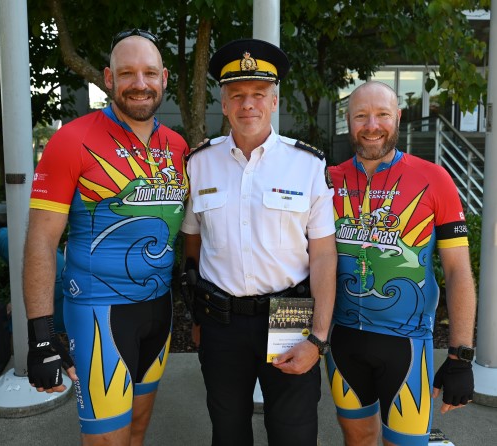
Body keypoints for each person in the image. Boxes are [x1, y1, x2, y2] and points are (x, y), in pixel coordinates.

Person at [23, 28, 189, 446]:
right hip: (98, 312)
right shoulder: (71, 139)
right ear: (108, 78)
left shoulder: (178, 147)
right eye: (127, 72)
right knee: (106, 440)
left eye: (149, 73)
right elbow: (41, 242)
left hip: (159, 311)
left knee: (136, 430)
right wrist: (42, 337)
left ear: (164, 78)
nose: (140, 83)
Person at [181, 38, 337, 446]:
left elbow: (322, 256)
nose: (247, 104)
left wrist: (317, 339)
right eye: (237, 95)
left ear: (274, 102)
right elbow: (192, 244)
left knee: (294, 431)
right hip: (220, 319)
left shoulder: (307, 165)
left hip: (289, 313)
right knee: (228, 430)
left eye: (258, 95)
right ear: (224, 102)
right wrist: (198, 316)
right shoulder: (199, 164)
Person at [325, 81, 476, 446]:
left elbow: (458, 272)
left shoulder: (434, 178)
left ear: (398, 117)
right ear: (347, 120)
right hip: (342, 341)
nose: (372, 125)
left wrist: (461, 356)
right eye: (361, 115)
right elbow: (301, 262)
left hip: (406, 346)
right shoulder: (327, 180)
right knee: (356, 439)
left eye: (382, 115)